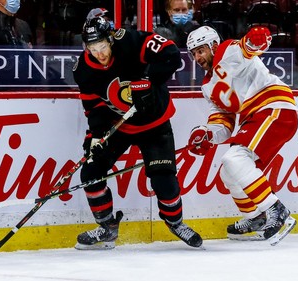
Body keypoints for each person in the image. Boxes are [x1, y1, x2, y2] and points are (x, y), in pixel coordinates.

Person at [72, 16, 203, 250]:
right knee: (91, 173)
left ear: (111, 39)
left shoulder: (131, 41)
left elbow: (171, 54)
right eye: (92, 49)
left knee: (164, 179)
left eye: (102, 47)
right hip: (119, 125)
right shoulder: (83, 69)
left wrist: (149, 82)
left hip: (155, 123)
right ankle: (107, 227)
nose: (99, 54)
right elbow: (95, 107)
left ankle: (175, 222)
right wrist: (95, 136)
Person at [186, 25, 298, 245]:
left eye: (200, 50)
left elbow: (250, 47)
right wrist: (206, 134)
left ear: (213, 45)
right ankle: (256, 217)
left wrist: (258, 38)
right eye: (193, 54)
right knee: (229, 171)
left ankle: (276, 210)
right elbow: (223, 123)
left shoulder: (228, 50)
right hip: (255, 118)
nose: (197, 57)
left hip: (274, 107)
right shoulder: (208, 86)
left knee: (234, 158)